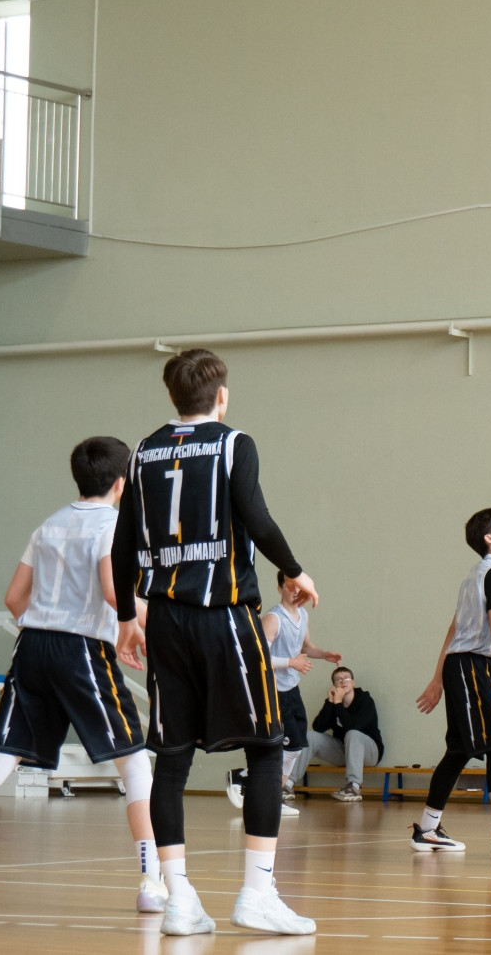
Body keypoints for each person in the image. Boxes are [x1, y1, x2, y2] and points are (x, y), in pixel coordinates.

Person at [0, 437, 166, 915]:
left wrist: (54, 622)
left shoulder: (49, 524)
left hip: (31, 647)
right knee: (134, 764)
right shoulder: (112, 524)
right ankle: (153, 882)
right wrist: (159, 621)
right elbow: (114, 593)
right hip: (80, 649)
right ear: (121, 483)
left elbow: (14, 599)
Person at [113, 348, 320, 936]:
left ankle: (178, 899)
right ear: (222, 396)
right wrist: (295, 569)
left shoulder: (143, 451)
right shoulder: (234, 444)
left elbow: (123, 544)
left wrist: (127, 617)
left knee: (171, 761)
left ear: (171, 396)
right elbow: (256, 517)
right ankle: (257, 894)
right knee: (266, 748)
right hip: (226, 616)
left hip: (166, 620)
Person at [411, 508, 491, 852]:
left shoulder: (478, 573)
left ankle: (428, 828)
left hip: (462, 664)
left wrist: (438, 677)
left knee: (459, 750)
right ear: (489, 537)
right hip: (476, 665)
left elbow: (454, 627)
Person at [225, 571, 343, 817]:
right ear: (280, 588)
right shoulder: (273, 618)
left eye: (299, 586)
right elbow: (258, 658)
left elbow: (306, 646)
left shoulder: (302, 615)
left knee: (296, 747)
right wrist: (291, 662)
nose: (295, 591)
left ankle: (271, 796)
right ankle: (243, 777)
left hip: (291, 689)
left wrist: (324, 654)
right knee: (278, 747)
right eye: (290, 586)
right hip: (273, 692)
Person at [310, 665, 383, 800]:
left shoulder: (365, 700)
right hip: (345, 751)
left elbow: (352, 726)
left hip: (370, 753)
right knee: (310, 736)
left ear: (353, 682)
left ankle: (354, 787)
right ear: (334, 686)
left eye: (347, 678)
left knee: (352, 733)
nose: (343, 682)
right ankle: (287, 784)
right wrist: (330, 702)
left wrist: (338, 703)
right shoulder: (333, 702)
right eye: (339, 680)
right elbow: (318, 727)